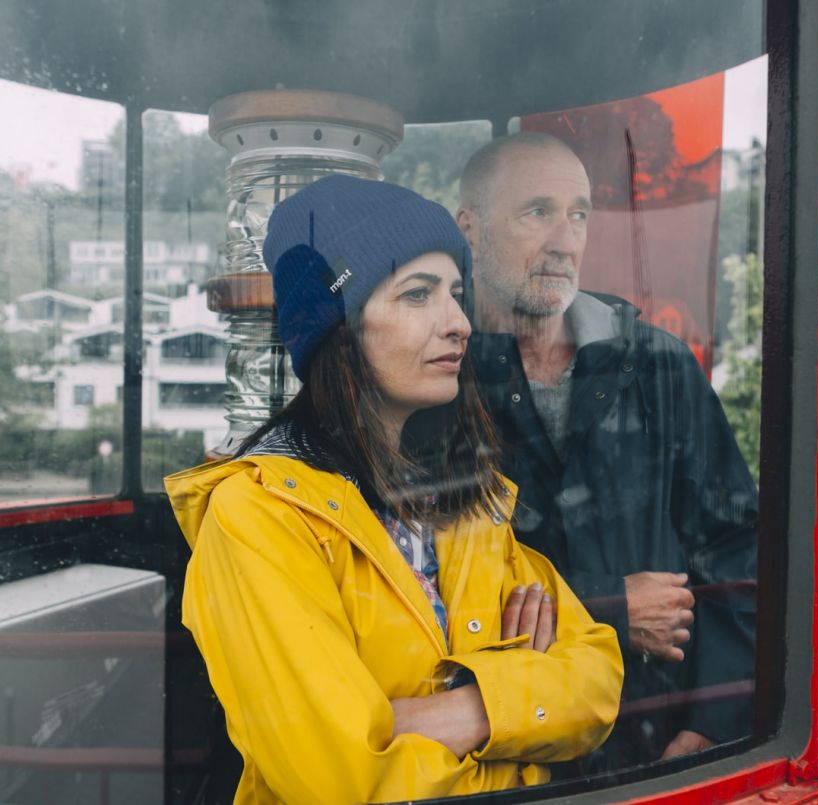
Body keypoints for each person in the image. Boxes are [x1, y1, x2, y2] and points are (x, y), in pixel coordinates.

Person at [165, 174, 622, 804]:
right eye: (417, 295)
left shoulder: (465, 497)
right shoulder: (260, 516)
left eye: (457, 294)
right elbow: (348, 782)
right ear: (339, 329)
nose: (459, 322)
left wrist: (457, 713)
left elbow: (597, 682)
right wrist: (525, 716)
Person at [457, 132, 759, 768]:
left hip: (659, 743)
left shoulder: (657, 365)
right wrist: (613, 607)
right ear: (471, 230)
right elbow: (424, 581)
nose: (565, 240)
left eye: (579, 214)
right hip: (506, 755)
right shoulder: (440, 375)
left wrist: (712, 722)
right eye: (536, 211)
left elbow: (736, 549)